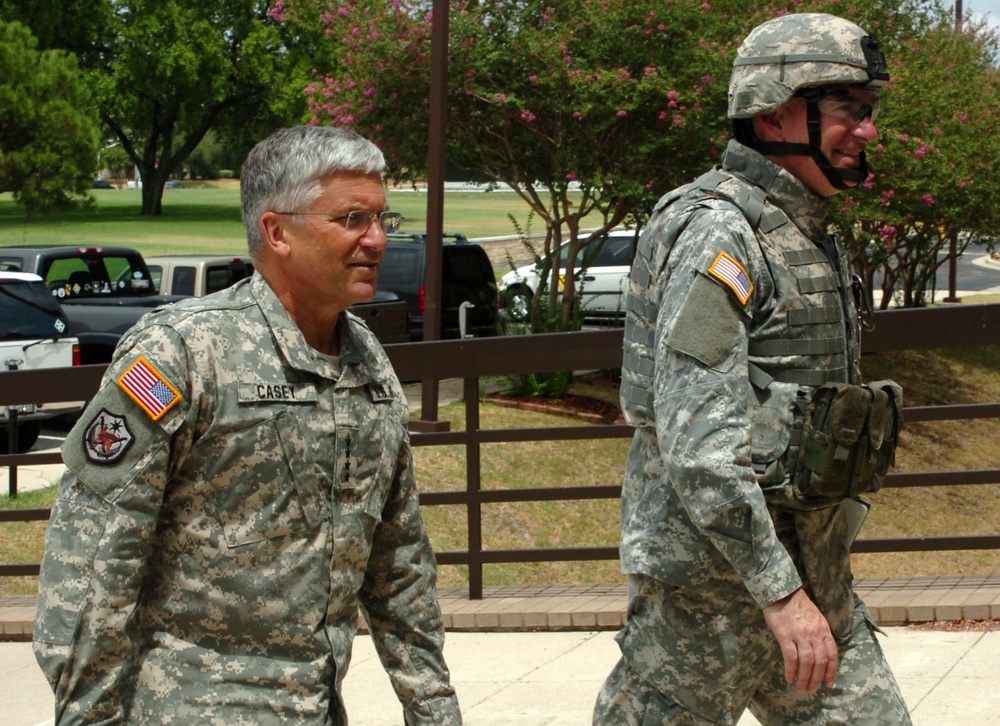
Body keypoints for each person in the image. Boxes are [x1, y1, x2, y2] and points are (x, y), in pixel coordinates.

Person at [33, 125, 462, 725]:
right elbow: (92, 560)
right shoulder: (181, 352)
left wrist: (434, 710)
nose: (377, 240)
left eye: (381, 218)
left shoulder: (367, 363)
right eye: (352, 219)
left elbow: (399, 562)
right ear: (277, 231)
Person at [594, 13, 911, 725]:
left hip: (814, 589)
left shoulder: (802, 230)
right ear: (774, 116)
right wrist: (780, 595)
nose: (867, 131)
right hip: (709, 606)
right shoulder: (721, 233)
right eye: (848, 111)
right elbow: (698, 445)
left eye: (870, 112)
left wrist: (806, 593)